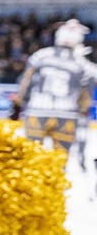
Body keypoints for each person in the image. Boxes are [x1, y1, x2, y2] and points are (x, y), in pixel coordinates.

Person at [13, 19, 96, 156]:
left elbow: (26, 80)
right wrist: (83, 110)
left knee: (31, 155)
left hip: (37, 110)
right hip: (67, 113)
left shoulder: (41, 55)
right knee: (60, 159)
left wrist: (21, 100)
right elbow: (86, 93)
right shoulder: (81, 62)